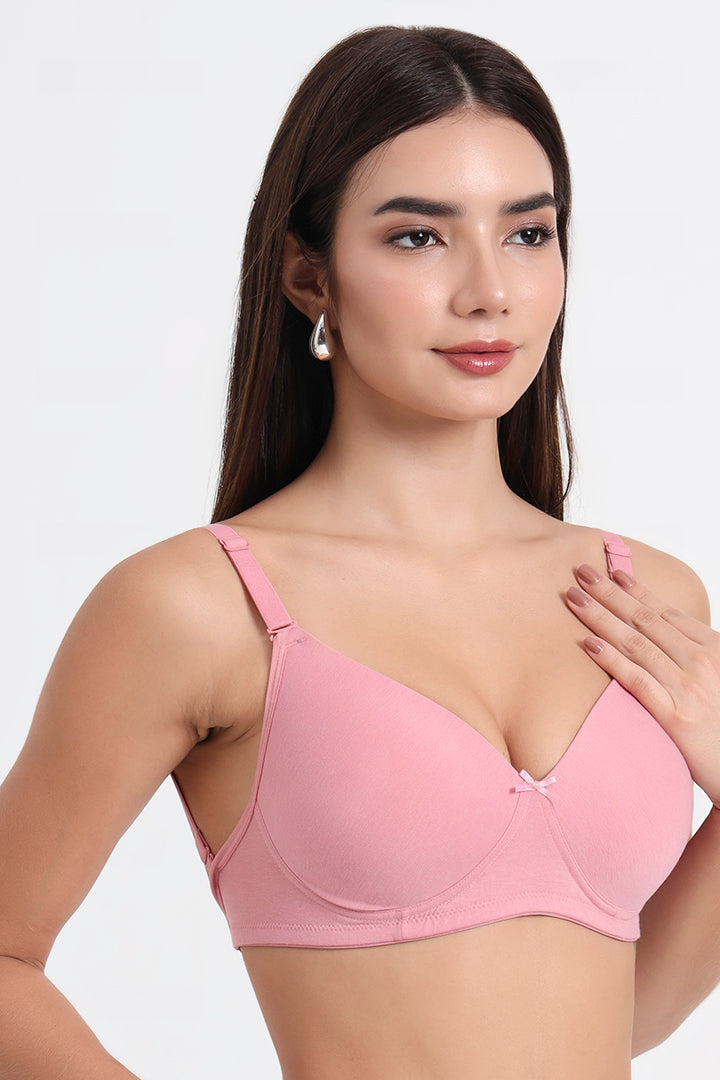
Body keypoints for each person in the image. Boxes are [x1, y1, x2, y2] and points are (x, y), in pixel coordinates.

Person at [1, 23, 720, 1080]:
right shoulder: (201, 605)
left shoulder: (647, 596)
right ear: (309, 274)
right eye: (419, 237)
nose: (490, 290)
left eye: (528, 233)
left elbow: (625, 1016)